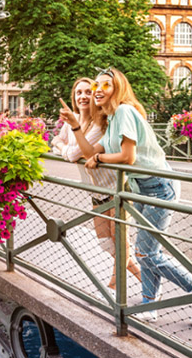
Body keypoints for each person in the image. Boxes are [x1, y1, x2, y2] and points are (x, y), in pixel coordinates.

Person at [84, 67, 192, 326]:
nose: (98, 90)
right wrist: (77, 127)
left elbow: (126, 157)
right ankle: (149, 305)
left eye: (105, 85)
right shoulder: (111, 121)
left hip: (159, 186)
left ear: (117, 88)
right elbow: (87, 150)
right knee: (147, 250)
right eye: (95, 86)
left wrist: (98, 159)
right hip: (142, 188)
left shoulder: (124, 111)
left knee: (147, 252)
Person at [54, 77, 141, 290]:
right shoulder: (73, 120)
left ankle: (115, 287)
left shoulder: (99, 123)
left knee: (120, 242)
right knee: (106, 244)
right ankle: (143, 277)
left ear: (94, 95)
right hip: (97, 190)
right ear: (73, 98)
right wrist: (63, 147)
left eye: (87, 92)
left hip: (117, 188)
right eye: (78, 93)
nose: (83, 96)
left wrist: (65, 149)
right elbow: (56, 141)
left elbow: (75, 153)